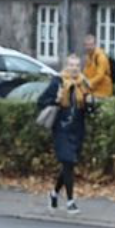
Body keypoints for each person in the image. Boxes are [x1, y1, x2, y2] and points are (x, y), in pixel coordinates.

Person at [38, 54, 94, 213]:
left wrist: (91, 104)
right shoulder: (58, 82)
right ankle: (70, 202)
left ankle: (54, 193)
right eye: (71, 65)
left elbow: (89, 109)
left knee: (69, 165)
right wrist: (55, 99)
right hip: (61, 129)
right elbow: (40, 102)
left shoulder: (83, 83)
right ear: (66, 66)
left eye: (77, 65)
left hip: (77, 130)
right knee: (68, 162)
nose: (74, 68)